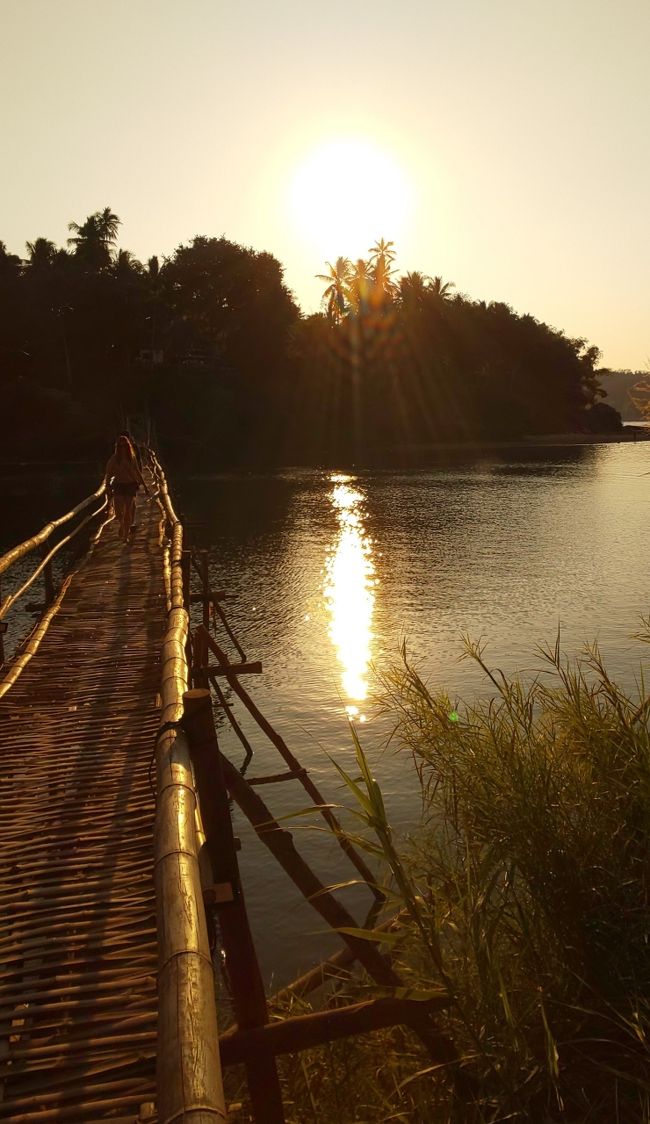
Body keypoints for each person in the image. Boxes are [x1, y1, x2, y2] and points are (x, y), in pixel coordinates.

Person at [105, 435, 149, 542]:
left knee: (128, 510)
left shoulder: (131, 457)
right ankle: (122, 525)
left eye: (125, 445)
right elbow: (109, 473)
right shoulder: (114, 459)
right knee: (119, 511)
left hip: (130, 484)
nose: (123, 447)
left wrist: (145, 486)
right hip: (119, 485)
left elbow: (137, 471)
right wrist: (107, 485)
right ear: (118, 447)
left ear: (128, 446)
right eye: (120, 446)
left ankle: (125, 535)